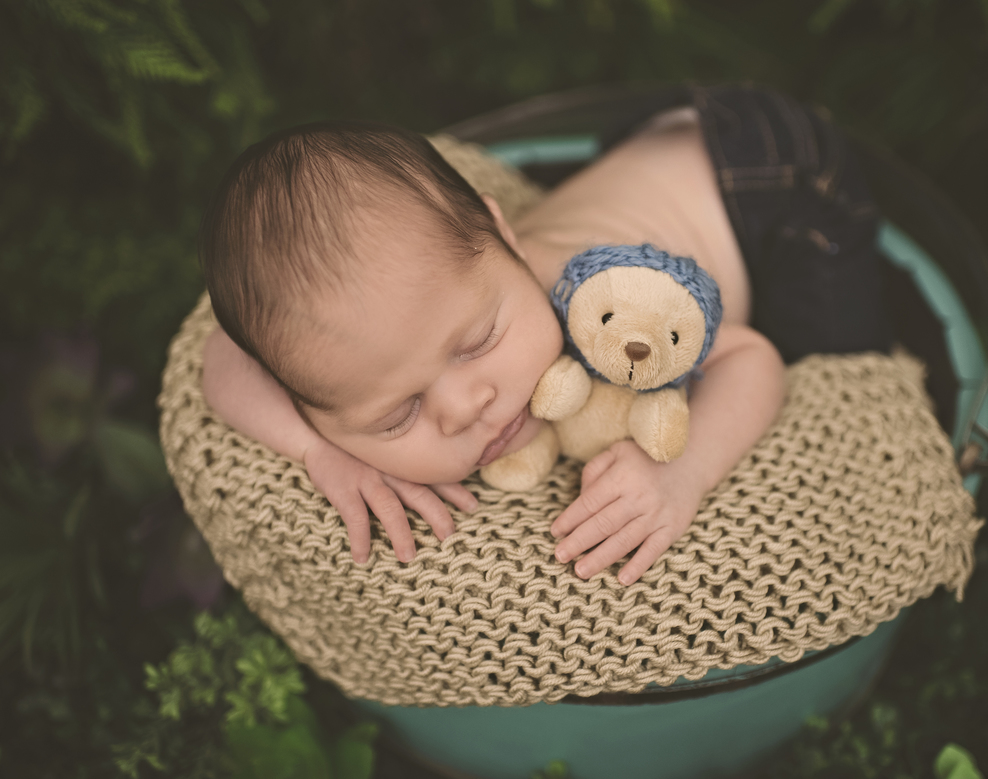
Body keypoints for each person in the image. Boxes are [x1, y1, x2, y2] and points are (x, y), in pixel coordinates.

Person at [200, 84, 890, 586]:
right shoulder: (399, 327)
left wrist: (682, 472)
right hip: (655, 150)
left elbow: (750, 356)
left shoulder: (591, 307)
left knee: (833, 356)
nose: (467, 403)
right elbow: (224, 358)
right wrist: (317, 454)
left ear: (506, 240)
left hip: (771, 191)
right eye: (397, 413)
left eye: (476, 343)